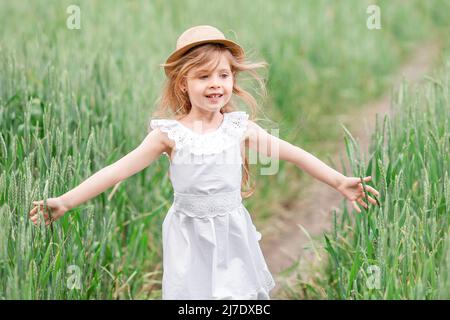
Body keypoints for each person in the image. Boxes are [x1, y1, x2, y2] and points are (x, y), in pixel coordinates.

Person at [28, 25, 380, 300]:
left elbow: (294, 154)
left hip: (231, 230)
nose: (216, 85)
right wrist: (65, 201)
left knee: (237, 297)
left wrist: (338, 181)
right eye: (204, 76)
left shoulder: (239, 128)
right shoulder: (169, 134)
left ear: (232, 80)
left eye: (223, 76)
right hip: (187, 234)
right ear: (183, 83)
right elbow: (116, 170)